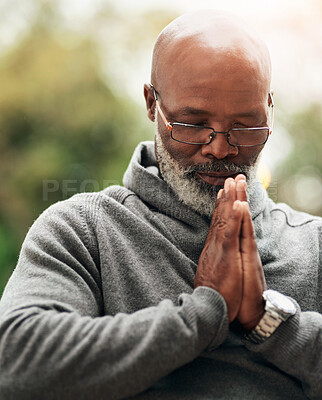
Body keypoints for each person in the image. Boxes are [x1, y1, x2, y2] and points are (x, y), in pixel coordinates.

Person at [0, 10, 321, 400]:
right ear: (152, 103)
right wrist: (202, 313)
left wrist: (272, 323)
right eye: (193, 124)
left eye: (245, 127)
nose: (220, 148)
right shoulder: (83, 231)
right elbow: (16, 363)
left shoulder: (313, 245)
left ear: (270, 109)